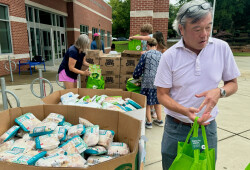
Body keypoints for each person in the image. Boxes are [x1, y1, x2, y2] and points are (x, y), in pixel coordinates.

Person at [154, 0, 241, 169]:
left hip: (207, 129)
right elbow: (161, 94)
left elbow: (233, 84)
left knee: (205, 167)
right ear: (181, 29)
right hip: (176, 127)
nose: (205, 34)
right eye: (197, 29)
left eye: (208, 27)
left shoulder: (221, 48)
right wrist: (185, 111)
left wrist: (220, 91)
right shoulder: (170, 56)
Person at [133, 38, 164, 129]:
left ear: (147, 45)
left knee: (147, 102)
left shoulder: (145, 54)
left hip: (147, 81)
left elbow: (140, 67)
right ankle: (159, 120)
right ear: (156, 45)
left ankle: (149, 122)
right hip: (158, 81)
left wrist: (135, 76)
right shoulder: (161, 55)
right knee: (157, 101)